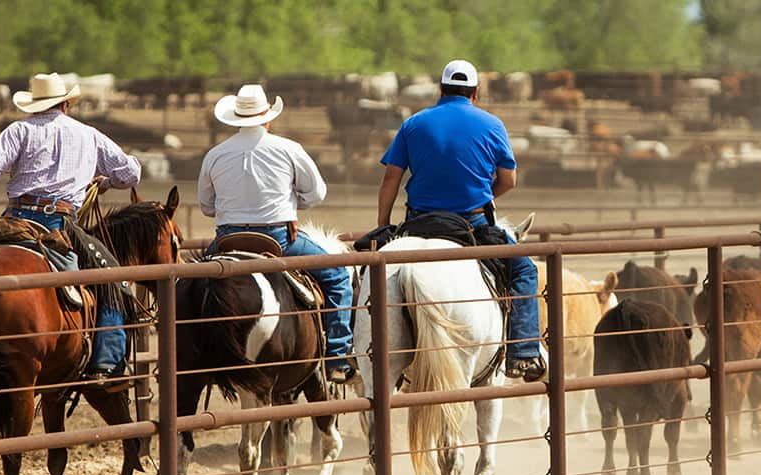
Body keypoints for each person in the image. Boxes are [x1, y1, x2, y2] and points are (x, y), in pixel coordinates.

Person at [0, 73, 142, 382]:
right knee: (112, 281)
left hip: (14, 219)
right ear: (65, 104)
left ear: (34, 105)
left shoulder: (19, 130)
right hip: (61, 225)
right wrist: (105, 182)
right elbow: (130, 173)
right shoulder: (88, 134)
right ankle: (106, 363)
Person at [376, 59, 546, 382]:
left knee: (369, 271)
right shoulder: (492, 125)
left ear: (440, 90)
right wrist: (483, 197)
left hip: (419, 222)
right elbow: (509, 180)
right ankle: (523, 353)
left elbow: (390, 180)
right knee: (524, 269)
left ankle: (352, 356)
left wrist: (384, 225)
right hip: (473, 224)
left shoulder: (413, 123)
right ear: (475, 93)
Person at [199, 84, 356, 384]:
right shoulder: (288, 149)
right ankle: (336, 356)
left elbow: (207, 206)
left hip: (226, 242)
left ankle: (181, 358)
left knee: (184, 285)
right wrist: (292, 204)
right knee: (337, 277)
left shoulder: (215, 155)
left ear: (235, 118)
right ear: (267, 117)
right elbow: (317, 193)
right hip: (279, 241)